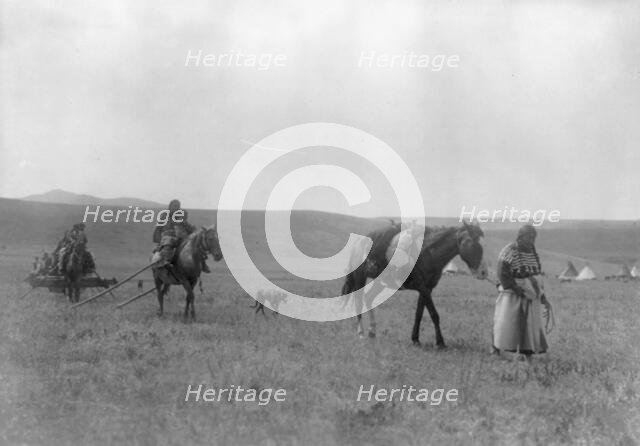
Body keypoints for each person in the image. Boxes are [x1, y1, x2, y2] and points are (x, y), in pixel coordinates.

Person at [492, 224, 552, 359]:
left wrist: (543, 298)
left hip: (531, 297)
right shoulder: (509, 250)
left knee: (530, 325)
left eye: (533, 238)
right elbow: (502, 273)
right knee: (507, 322)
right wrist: (515, 288)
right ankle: (499, 349)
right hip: (513, 296)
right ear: (520, 236)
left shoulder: (533, 253)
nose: (531, 241)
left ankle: (527, 351)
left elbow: (537, 279)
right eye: (529, 237)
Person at [153, 200, 210, 273]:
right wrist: (157, 238)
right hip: (167, 236)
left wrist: (196, 231)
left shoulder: (180, 216)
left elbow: (188, 226)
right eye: (174, 206)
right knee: (169, 242)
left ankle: (203, 264)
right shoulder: (164, 215)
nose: (176, 208)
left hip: (181, 238)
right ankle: (166, 261)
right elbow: (158, 228)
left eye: (178, 206)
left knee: (196, 245)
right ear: (170, 206)